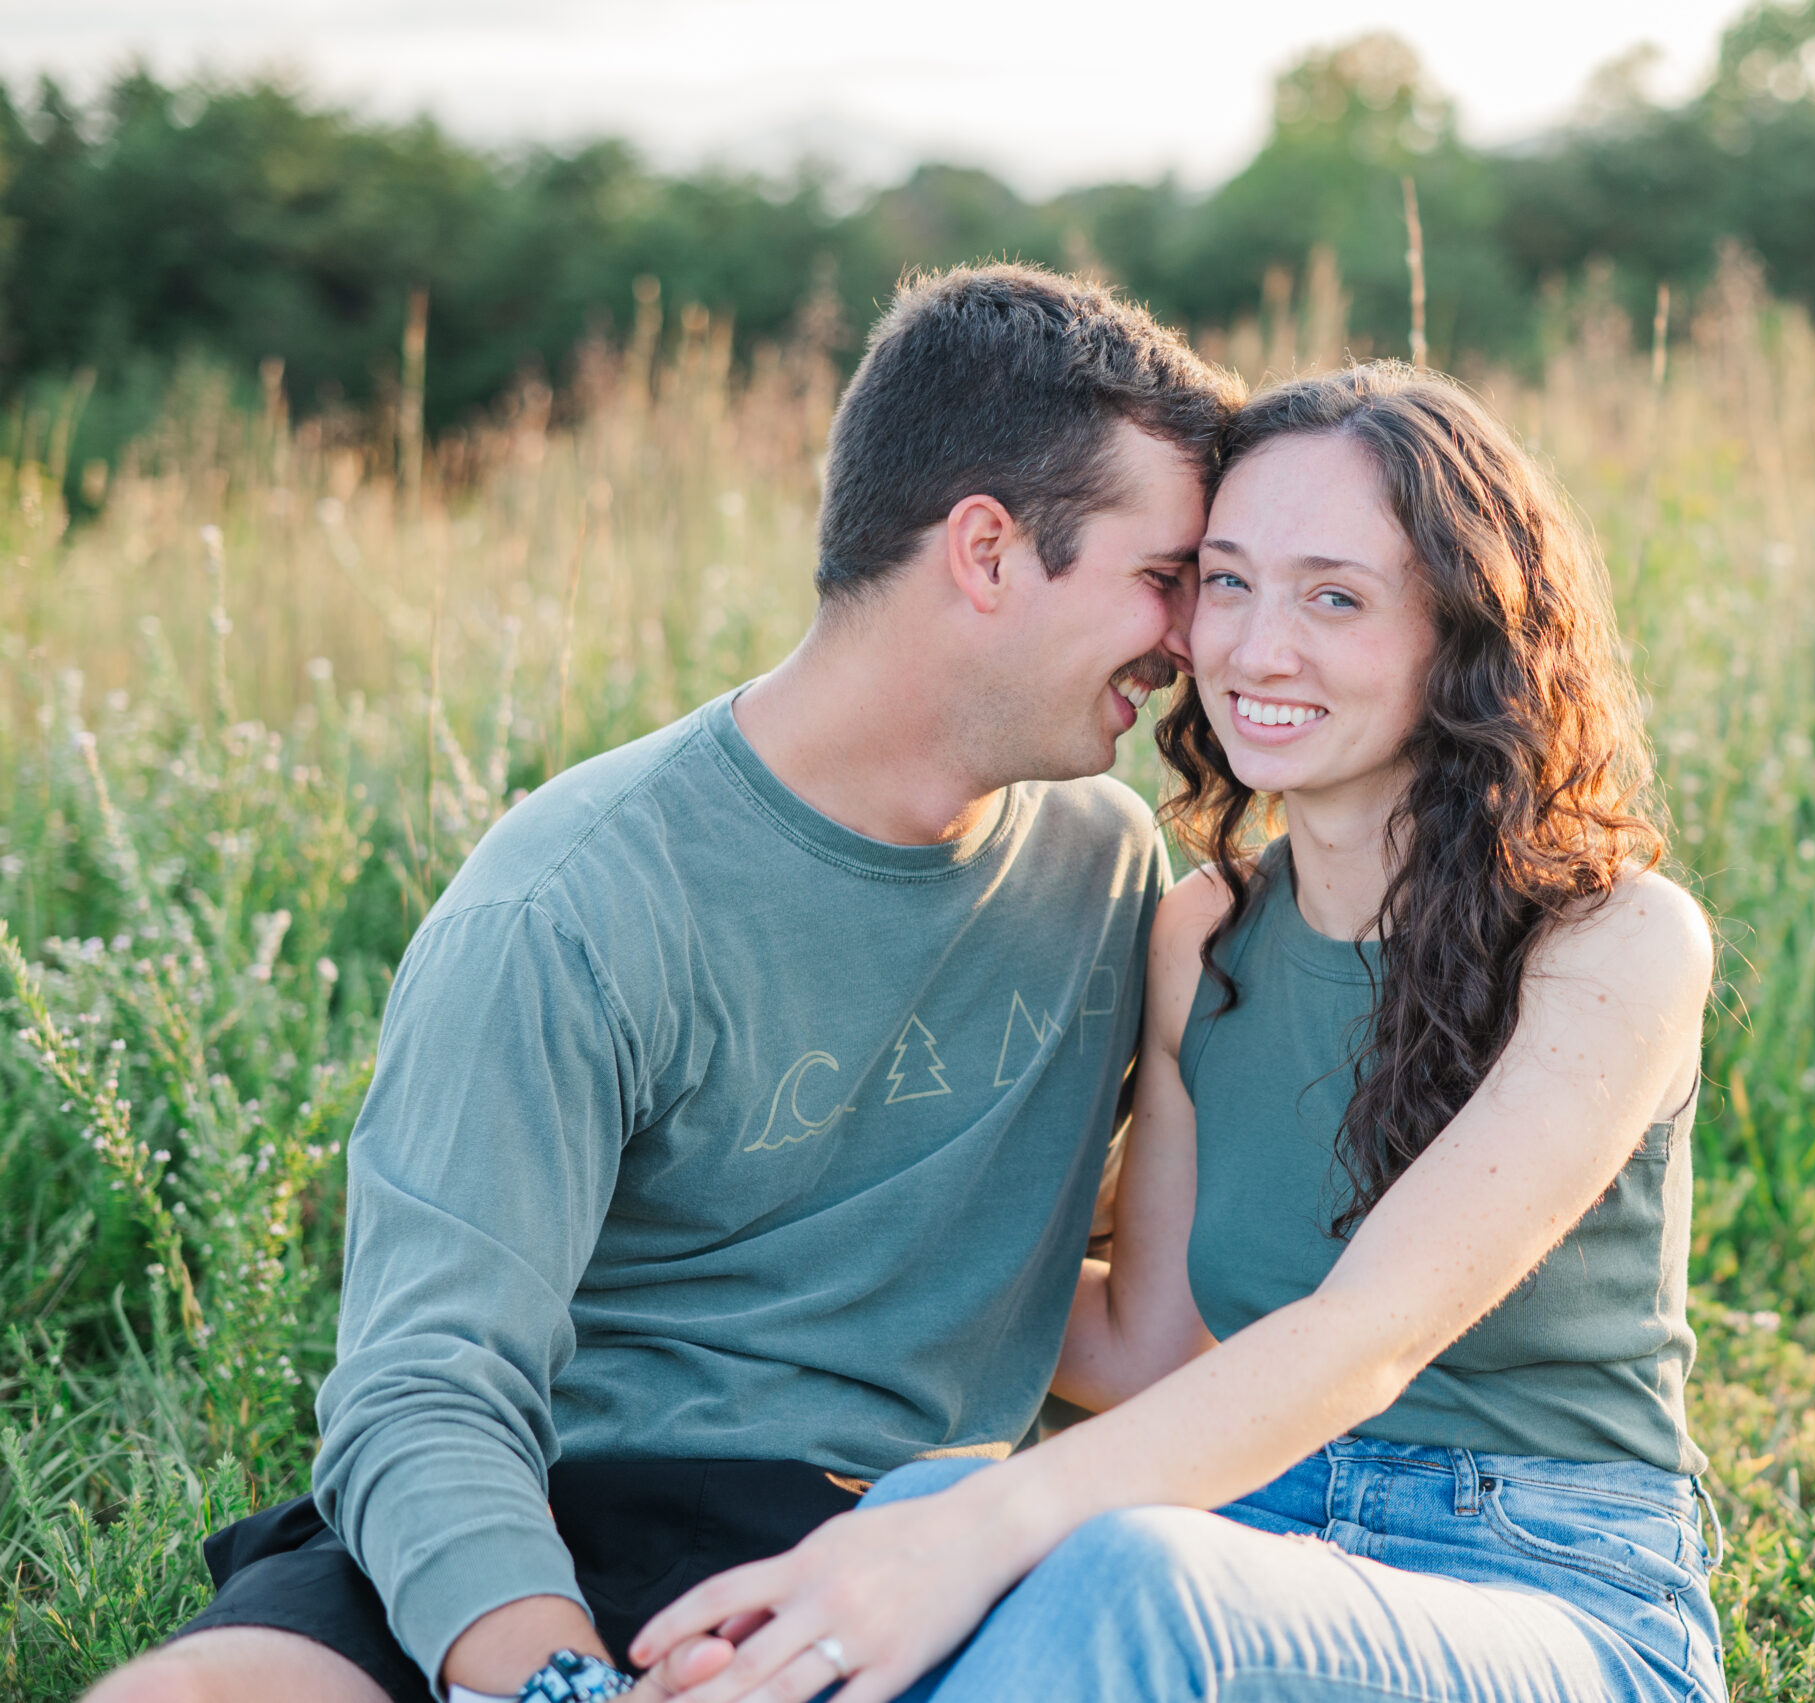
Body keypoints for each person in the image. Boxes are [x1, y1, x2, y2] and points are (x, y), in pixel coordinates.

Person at [85, 265, 1244, 1703]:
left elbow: (1145, 1325)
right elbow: (425, 1385)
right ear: (989, 551)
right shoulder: (572, 899)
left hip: (858, 1553)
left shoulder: (1105, 867)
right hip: (528, 1519)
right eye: (1163, 580)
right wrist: (552, 1680)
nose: (1193, 642)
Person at [631, 364, 1725, 1703]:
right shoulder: (1201, 937)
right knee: (915, 1498)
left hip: (1552, 1589)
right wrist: (778, 1255)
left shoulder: (1612, 944)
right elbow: (1149, 1350)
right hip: (1250, 1531)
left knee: (1105, 1573)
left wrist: (973, 1534)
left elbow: (1360, 1339)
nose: (1257, 650)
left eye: (1337, 596)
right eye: (1226, 580)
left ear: (1464, 633)